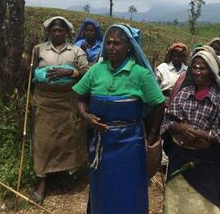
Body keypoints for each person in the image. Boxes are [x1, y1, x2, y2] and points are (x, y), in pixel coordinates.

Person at [73, 24, 165, 214]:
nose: (111, 47)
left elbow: (158, 104)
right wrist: (86, 115)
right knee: (102, 186)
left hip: (130, 143)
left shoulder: (141, 74)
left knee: (128, 188)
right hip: (100, 142)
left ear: (129, 46)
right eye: (108, 43)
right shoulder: (96, 70)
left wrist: (152, 135)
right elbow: (80, 97)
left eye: (117, 43)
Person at [161, 47, 220, 214]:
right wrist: (180, 127)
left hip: (206, 164)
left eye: (202, 68)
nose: (197, 72)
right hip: (180, 159)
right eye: (194, 67)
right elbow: (168, 120)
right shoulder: (183, 94)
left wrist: (203, 134)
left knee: (205, 206)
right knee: (177, 203)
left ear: (212, 71)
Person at [27, 16, 89, 204]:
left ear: (67, 33)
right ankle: (42, 181)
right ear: (49, 32)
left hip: (68, 101)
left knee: (66, 139)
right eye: (53, 30)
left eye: (60, 31)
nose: (57, 33)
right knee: (43, 141)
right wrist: (26, 51)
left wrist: (70, 72)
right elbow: (28, 72)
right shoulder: (38, 49)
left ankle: (64, 175)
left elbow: (87, 72)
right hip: (44, 101)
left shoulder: (76, 51)